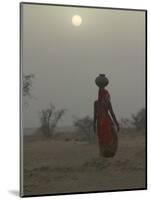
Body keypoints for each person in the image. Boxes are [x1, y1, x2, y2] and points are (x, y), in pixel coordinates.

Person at [93, 74, 119, 157]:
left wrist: (94, 124)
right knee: (111, 137)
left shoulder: (96, 103)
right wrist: (117, 123)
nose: (108, 97)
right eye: (108, 96)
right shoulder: (105, 103)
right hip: (106, 122)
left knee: (102, 139)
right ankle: (108, 154)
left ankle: (104, 154)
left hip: (100, 123)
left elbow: (95, 116)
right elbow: (112, 113)